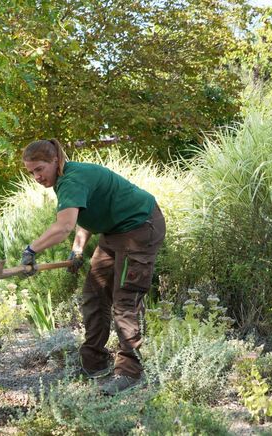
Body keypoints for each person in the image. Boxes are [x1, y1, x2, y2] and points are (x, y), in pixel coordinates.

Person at [20, 139, 165, 395]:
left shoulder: (72, 179)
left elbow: (63, 226)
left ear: (55, 160)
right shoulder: (66, 178)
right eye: (31, 172)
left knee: (125, 302)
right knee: (94, 292)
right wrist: (78, 249)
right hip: (114, 232)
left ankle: (130, 372)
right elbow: (84, 217)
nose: (36, 177)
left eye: (39, 169)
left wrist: (31, 250)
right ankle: (95, 361)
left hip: (140, 226)